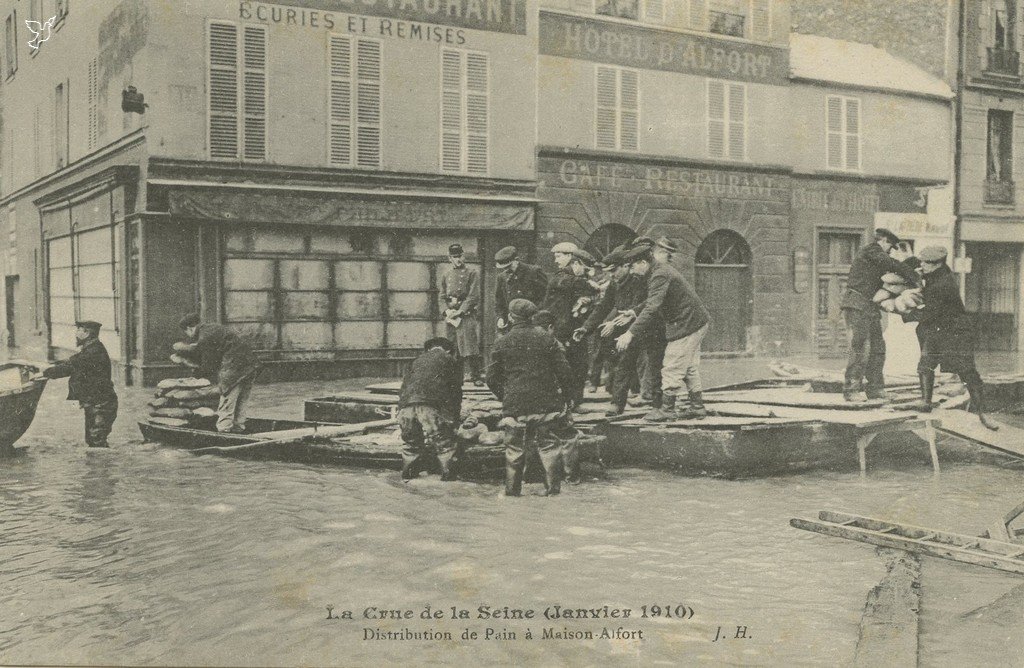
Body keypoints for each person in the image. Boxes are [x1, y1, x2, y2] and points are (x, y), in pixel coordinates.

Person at [487, 298, 576, 496]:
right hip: (546, 404)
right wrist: (567, 398)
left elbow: (491, 378)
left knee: (513, 450)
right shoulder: (547, 338)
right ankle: (553, 491)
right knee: (549, 447)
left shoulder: (502, 341)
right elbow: (565, 372)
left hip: (515, 405)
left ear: (511, 317)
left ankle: (512, 492)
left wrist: (506, 397)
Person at [907, 247, 999, 430]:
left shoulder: (944, 284)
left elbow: (930, 312)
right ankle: (925, 402)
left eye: (925, 263)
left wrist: (906, 313)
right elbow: (916, 270)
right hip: (938, 329)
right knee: (925, 364)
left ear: (937, 264)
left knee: (967, 372)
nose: (922, 265)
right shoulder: (936, 275)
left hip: (955, 332)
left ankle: (983, 413)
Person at [616, 245, 711, 422]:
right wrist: (635, 311)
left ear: (643, 262)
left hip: (686, 324)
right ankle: (697, 407)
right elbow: (653, 300)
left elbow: (653, 306)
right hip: (693, 322)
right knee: (688, 365)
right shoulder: (657, 271)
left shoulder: (659, 274)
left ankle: (667, 410)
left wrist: (630, 333)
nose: (630, 271)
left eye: (631, 266)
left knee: (672, 364)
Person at [840, 228, 920, 402]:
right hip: (856, 304)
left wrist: (911, 265)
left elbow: (893, 271)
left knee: (877, 349)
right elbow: (891, 264)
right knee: (861, 348)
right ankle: (851, 390)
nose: (891, 251)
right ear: (883, 240)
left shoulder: (876, 259)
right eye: (890, 246)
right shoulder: (872, 250)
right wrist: (912, 274)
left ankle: (875, 389)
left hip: (869, 307)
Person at [573, 247, 646, 416]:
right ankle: (620, 398)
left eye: (614, 271)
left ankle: (619, 403)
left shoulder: (639, 281)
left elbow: (641, 307)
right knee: (616, 360)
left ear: (626, 266)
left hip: (641, 327)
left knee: (628, 363)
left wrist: (616, 323)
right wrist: (585, 328)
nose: (611, 276)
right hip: (623, 327)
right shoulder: (615, 282)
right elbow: (604, 306)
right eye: (609, 272)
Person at [177, 313, 261, 433]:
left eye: (187, 333)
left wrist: (191, 369)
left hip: (233, 369)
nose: (189, 336)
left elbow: (208, 366)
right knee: (241, 400)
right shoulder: (214, 327)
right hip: (251, 365)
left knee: (227, 401)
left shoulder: (204, 338)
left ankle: (223, 431)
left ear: (190, 328)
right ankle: (238, 429)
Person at [40, 320, 118, 448]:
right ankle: (98, 467)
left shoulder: (93, 352)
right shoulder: (92, 348)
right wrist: (49, 368)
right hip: (96, 402)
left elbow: (70, 366)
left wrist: (44, 373)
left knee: (97, 443)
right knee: (94, 441)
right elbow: (72, 361)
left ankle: (104, 467)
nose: (76, 333)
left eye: (78, 330)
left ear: (86, 333)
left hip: (101, 405)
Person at [397, 337, 465, 480]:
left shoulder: (416, 361)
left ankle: (407, 479)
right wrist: (453, 419)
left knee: (410, 447)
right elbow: (455, 392)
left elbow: (403, 389)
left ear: (429, 349)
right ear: (448, 350)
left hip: (406, 407)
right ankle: (449, 484)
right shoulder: (450, 360)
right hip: (430, 407)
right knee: (445, 446)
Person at [541, 242, 597, 407]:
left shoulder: (573, 277)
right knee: (571, 366)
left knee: (576, 366)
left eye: (559, 256)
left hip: (570, 329)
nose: (556, 260)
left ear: (571, 258)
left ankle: (572, 402)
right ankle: (570, 402)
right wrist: (593, 286)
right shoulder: (564, 277)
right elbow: (569, 284)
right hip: (565, 330)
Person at [440, 243, 483, 386]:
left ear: (464, 256)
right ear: (449, 258)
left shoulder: (472, 273)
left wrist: (461, 310)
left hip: (466, 314)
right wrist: (446, 310)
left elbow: (473, 295)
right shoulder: (446, 275)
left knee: (470, 345)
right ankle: (455, 377)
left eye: (460, 256)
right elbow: (441, 295)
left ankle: (475, 376)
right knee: (453, 346)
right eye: (455, 257)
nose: (458, 259)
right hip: (451, 315)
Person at [494, 246, 548, 330]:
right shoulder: (502, 277)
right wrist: (500, 318)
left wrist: (536, 317)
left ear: (517, 260)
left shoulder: (534, 272)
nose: (507, 270)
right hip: (512, 324)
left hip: (532, 323)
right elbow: (499, 301)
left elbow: (545, 298)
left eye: (509, 266)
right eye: (504, 268)